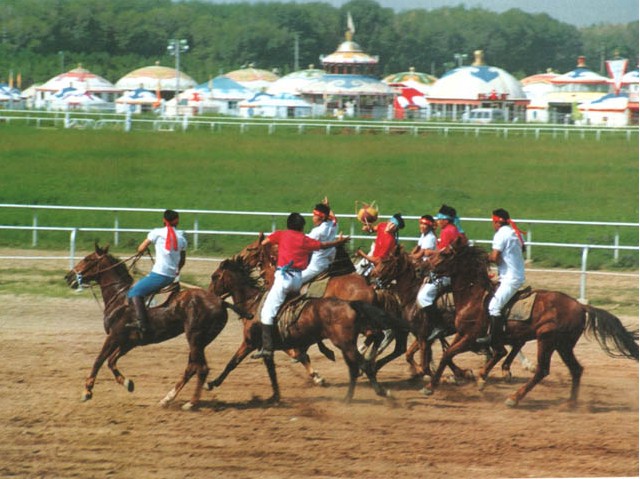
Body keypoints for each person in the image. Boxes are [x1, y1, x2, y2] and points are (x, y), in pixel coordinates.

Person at [252, 212, 350, 359]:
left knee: (267, 312)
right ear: (302, 227)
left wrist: (262, 241)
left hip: (283, 280)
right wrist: (337, 243)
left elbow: (264, 244)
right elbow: (323, 245)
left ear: (288, 224)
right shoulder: (305, 239)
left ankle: (267, 347)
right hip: (297, 280)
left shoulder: (281, 234)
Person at [126, 209, 187, 336]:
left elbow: (140, 248)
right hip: (171, 276)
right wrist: (176, 271)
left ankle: (142, 324)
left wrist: (145, 248)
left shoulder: (156, 233)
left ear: (164, 220)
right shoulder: (182, 238)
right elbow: (182, 261)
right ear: (177, 221)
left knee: (134, 292)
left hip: (159, 274)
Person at [476, 208, 526, 347]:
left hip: (510, 278)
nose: (493, 225)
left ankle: (494, 338)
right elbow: (522, 250)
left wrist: (482, 257)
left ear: (497, 222)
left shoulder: (500, 235)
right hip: (515, 274)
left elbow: (495, 257)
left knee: (494, 307)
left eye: (493, 222)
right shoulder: (515, 233)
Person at [415, 204, 464, 340]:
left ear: (446, 220)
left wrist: (429, 260)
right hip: (453, 270)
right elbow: (444, 252)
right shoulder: (452, 229)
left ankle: (438, 325)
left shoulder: (447, 231)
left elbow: (442, 257)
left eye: (439, 219)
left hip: (447, 273)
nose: (437, 221)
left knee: (423, 297)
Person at [300, 200, 338, 284]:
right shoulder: (333, 224)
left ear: (323, 217)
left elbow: (301, 242)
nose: (313, 218)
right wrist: (327, 207)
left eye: (315, 216)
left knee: (295, 280)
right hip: (330, 259)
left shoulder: (318, 231)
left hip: (317, 265)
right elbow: (333, 217)